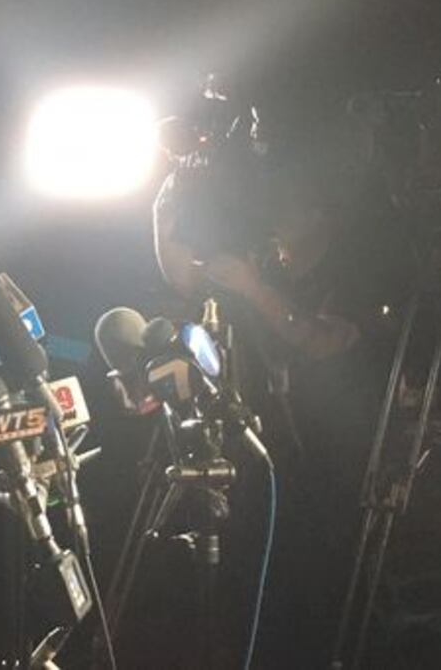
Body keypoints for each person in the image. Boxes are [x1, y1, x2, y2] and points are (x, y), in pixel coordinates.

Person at [152, 154, 395, 665]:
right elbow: (187, 280)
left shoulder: (356, 267)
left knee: (321, 595)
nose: (273, 216)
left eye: (286, 205)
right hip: (265, 457)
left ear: (320, 214)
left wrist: (253, 288)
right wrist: (166, 201)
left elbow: (324, 342)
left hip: (332, 460)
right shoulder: (261, 258)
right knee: (260, 595)